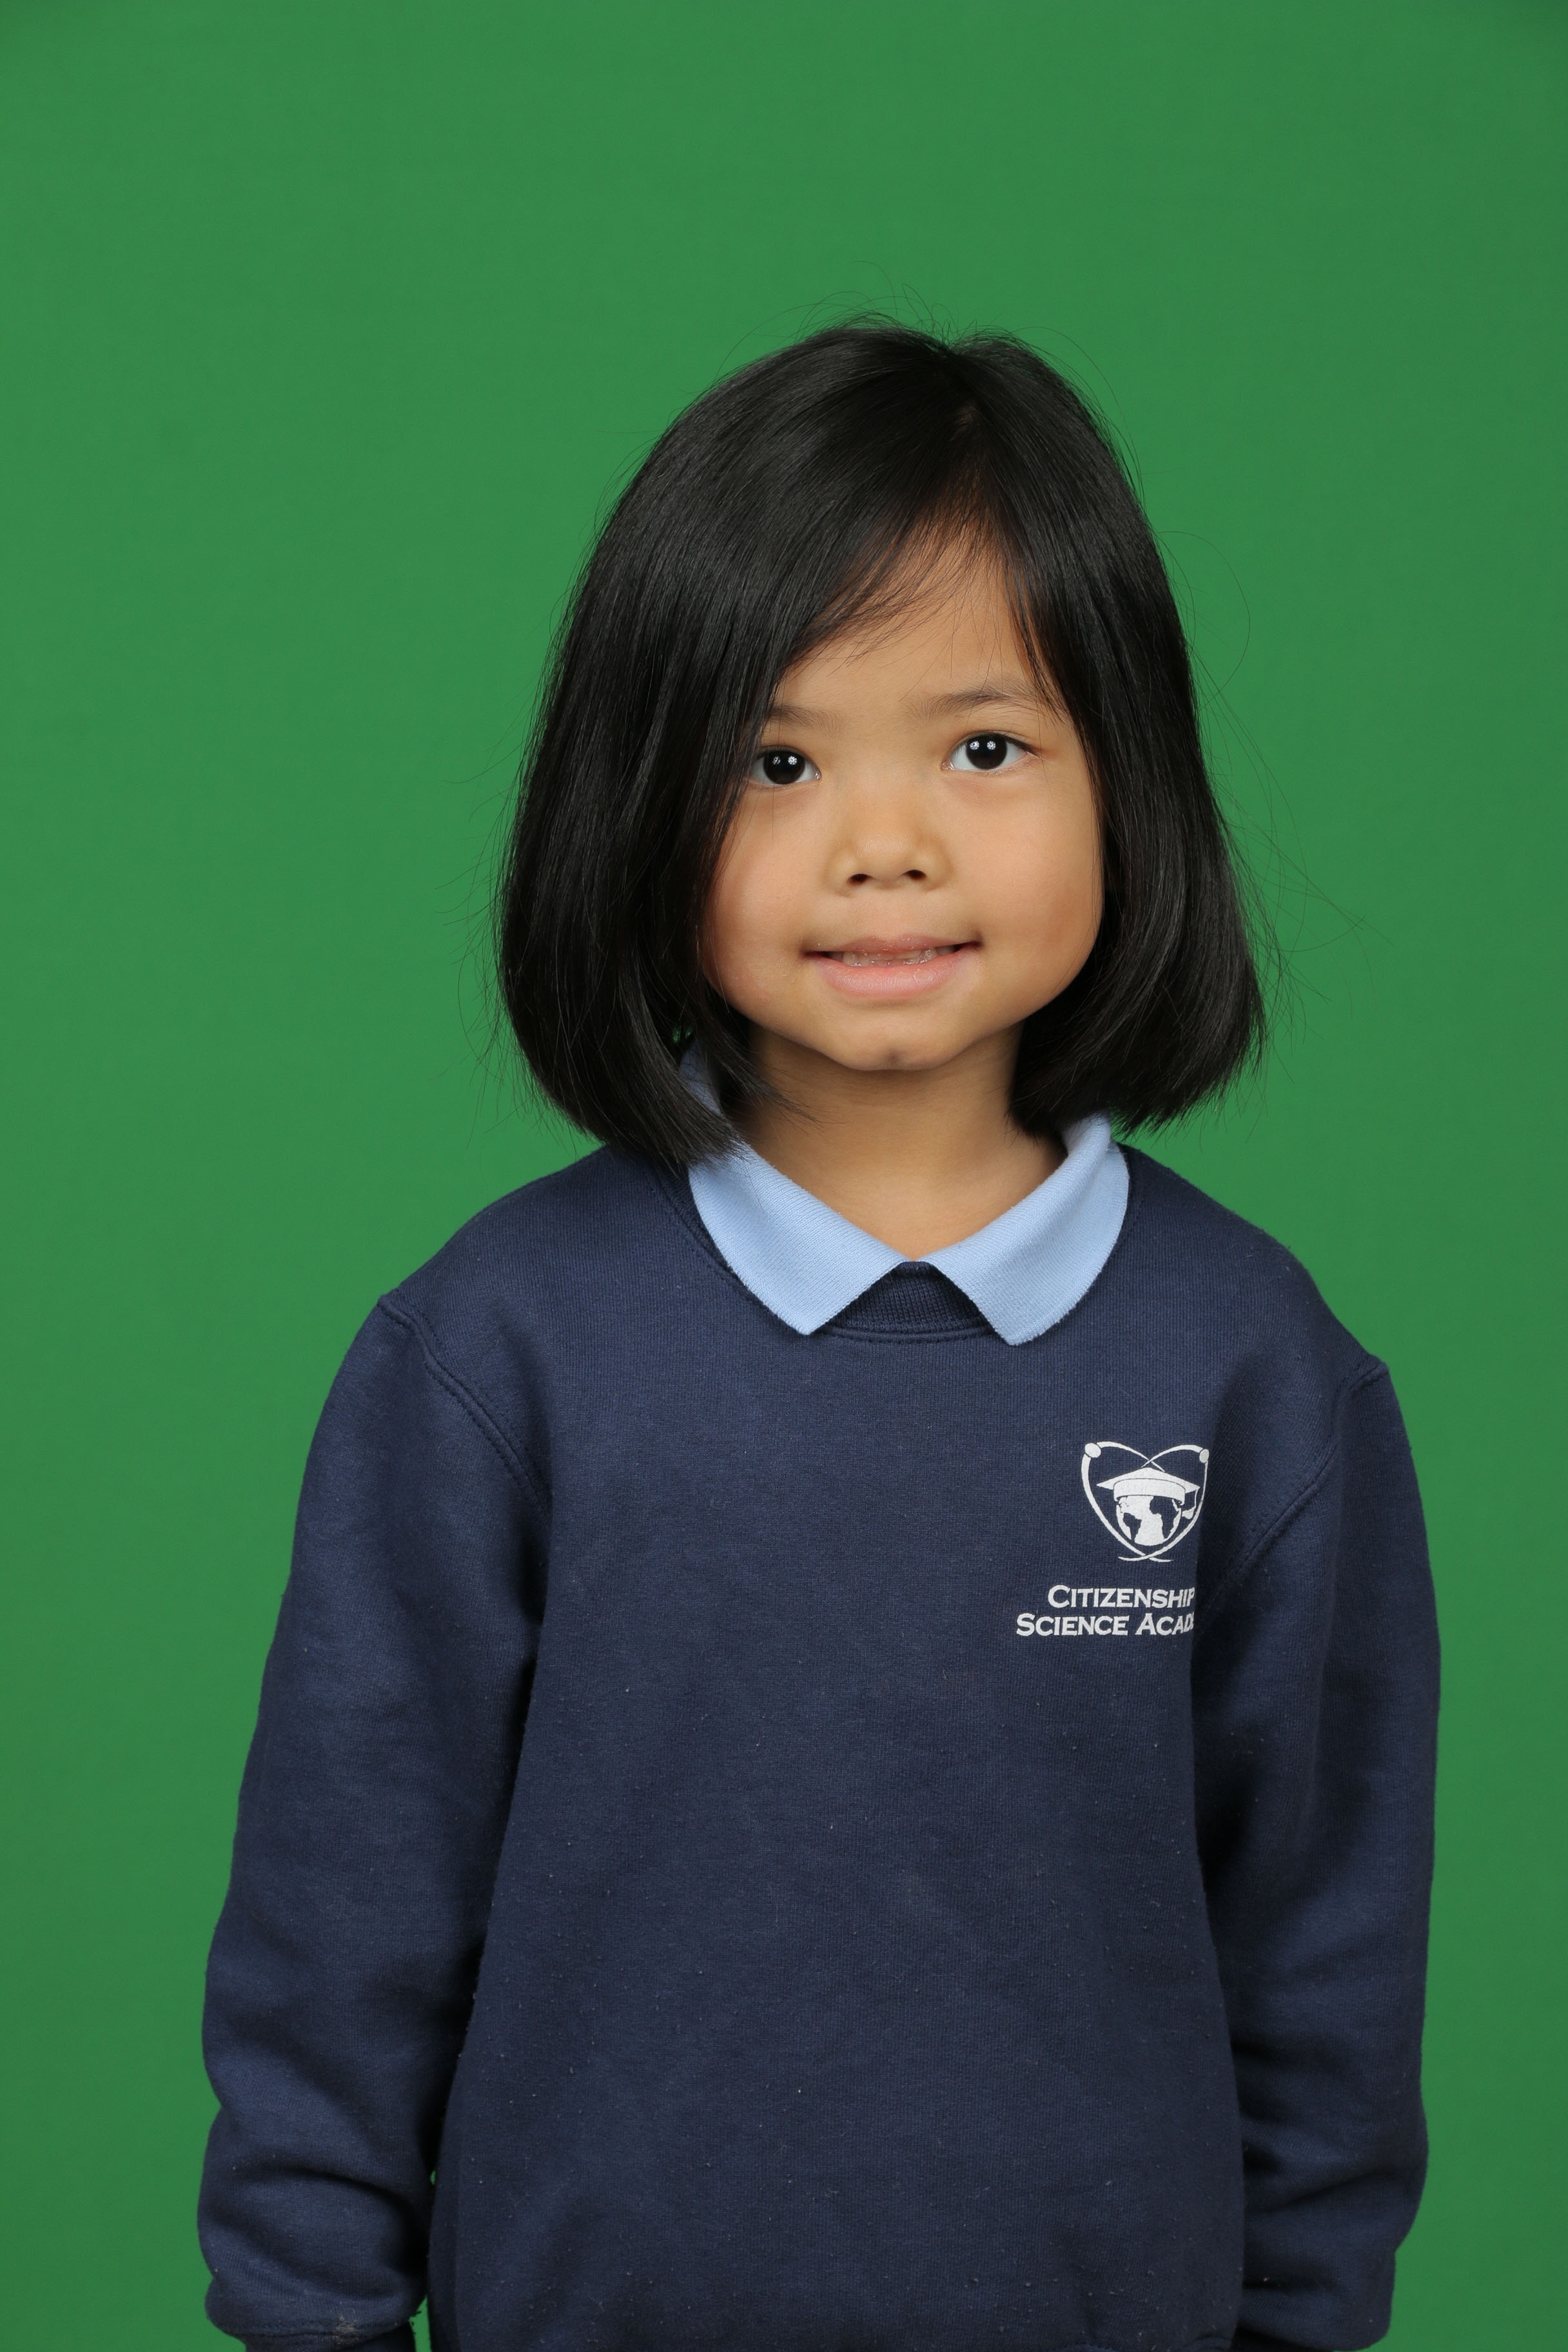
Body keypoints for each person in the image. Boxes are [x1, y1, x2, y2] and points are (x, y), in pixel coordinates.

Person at [198, 322, 1439, 2352]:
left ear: (1130, 777)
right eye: (778, 763)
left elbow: (1324, 1960)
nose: (888, 843)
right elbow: (346, 1927)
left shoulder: (1252, 1372)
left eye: (985, 748)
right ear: (638, 802)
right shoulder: (499, 1355)